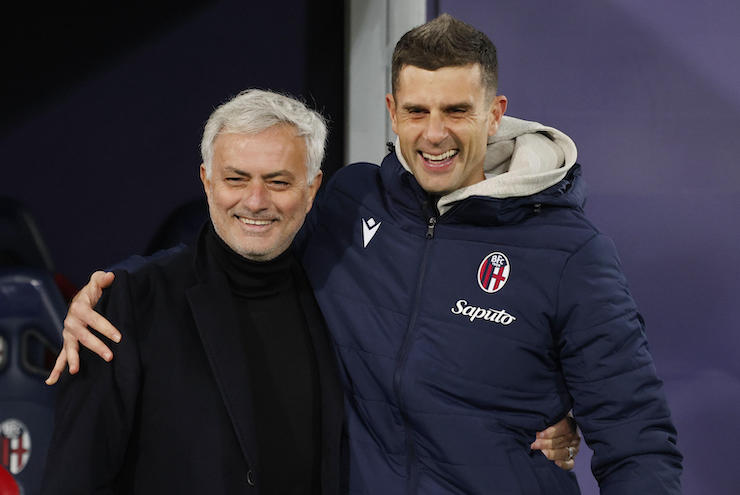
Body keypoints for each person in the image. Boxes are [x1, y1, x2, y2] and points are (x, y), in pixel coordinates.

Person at [49, 13, 683, 494]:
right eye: (417, 110)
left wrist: (561, 427)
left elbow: (639, 443)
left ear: (495, 114)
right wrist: (117, 289)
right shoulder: (352, 202)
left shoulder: (571, 253)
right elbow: (244, 247)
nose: (434, 133)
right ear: (392, 112)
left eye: (456, 110)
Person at [41, 90, 345, 494]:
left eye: (278, 182)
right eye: (236, 179)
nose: (255, 201)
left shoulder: (337, 298)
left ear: (311, 189)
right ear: (207, 181)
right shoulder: (126, 303)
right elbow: (73, 479)